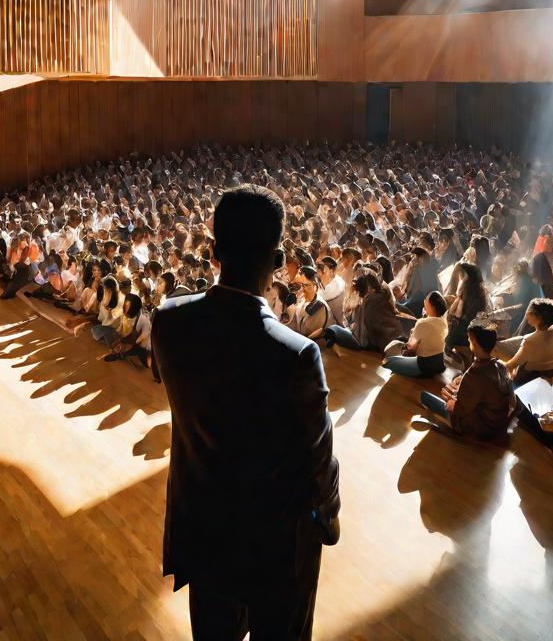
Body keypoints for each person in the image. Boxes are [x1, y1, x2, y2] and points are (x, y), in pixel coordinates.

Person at [152, 185, 340, 641]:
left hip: (202, 524)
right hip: (274, 546)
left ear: (214, 253)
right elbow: (320, 465)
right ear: (277, 264)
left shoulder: (168, 320)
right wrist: (328, 520)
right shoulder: (297, 354)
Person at [418, 322, 516, 443]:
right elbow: (508, 399)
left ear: (474, 343)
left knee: (424, 397)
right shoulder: (500, 365)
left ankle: (456, 429)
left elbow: (459, 410)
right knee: (454, 385)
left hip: (482, 428)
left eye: (469, 339)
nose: (468, 341)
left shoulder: (475, 374)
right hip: (497, 423)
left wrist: (450, 399)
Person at [495, 299, 553, 386]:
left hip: (527, 377)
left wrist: (497, 361)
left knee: (495, 351)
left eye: (530, 311)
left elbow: (509, 366)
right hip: (548, 370)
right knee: (514, 342)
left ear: (539, 317)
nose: (527, 314)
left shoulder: (530, 342)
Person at [382, 292, 449, 378]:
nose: (424, 304)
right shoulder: (444, 322)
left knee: (387, 361)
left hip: (424, 365)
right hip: (439, 363)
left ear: (432, 306)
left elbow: (410, 346)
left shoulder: (423, 323)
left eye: (426, 303)